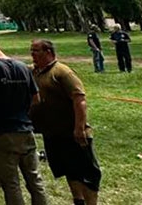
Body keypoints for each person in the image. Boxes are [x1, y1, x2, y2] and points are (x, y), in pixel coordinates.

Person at [0, 35, 48, 205]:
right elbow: (36, 98)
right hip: (25, 131)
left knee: (11, 184)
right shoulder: (22, 66)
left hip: (2, 132)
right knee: (35, 181)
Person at [30, 39, 101, 205]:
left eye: (36, 50)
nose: (32, 54)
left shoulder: (62, 72)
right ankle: (78, 201)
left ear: (48, 52)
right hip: (53, 134)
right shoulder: (35, 72)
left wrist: (79, 128)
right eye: (31, 51)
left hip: (72, 133)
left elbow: (80, 100)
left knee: (87, 173)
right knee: (69, 170)